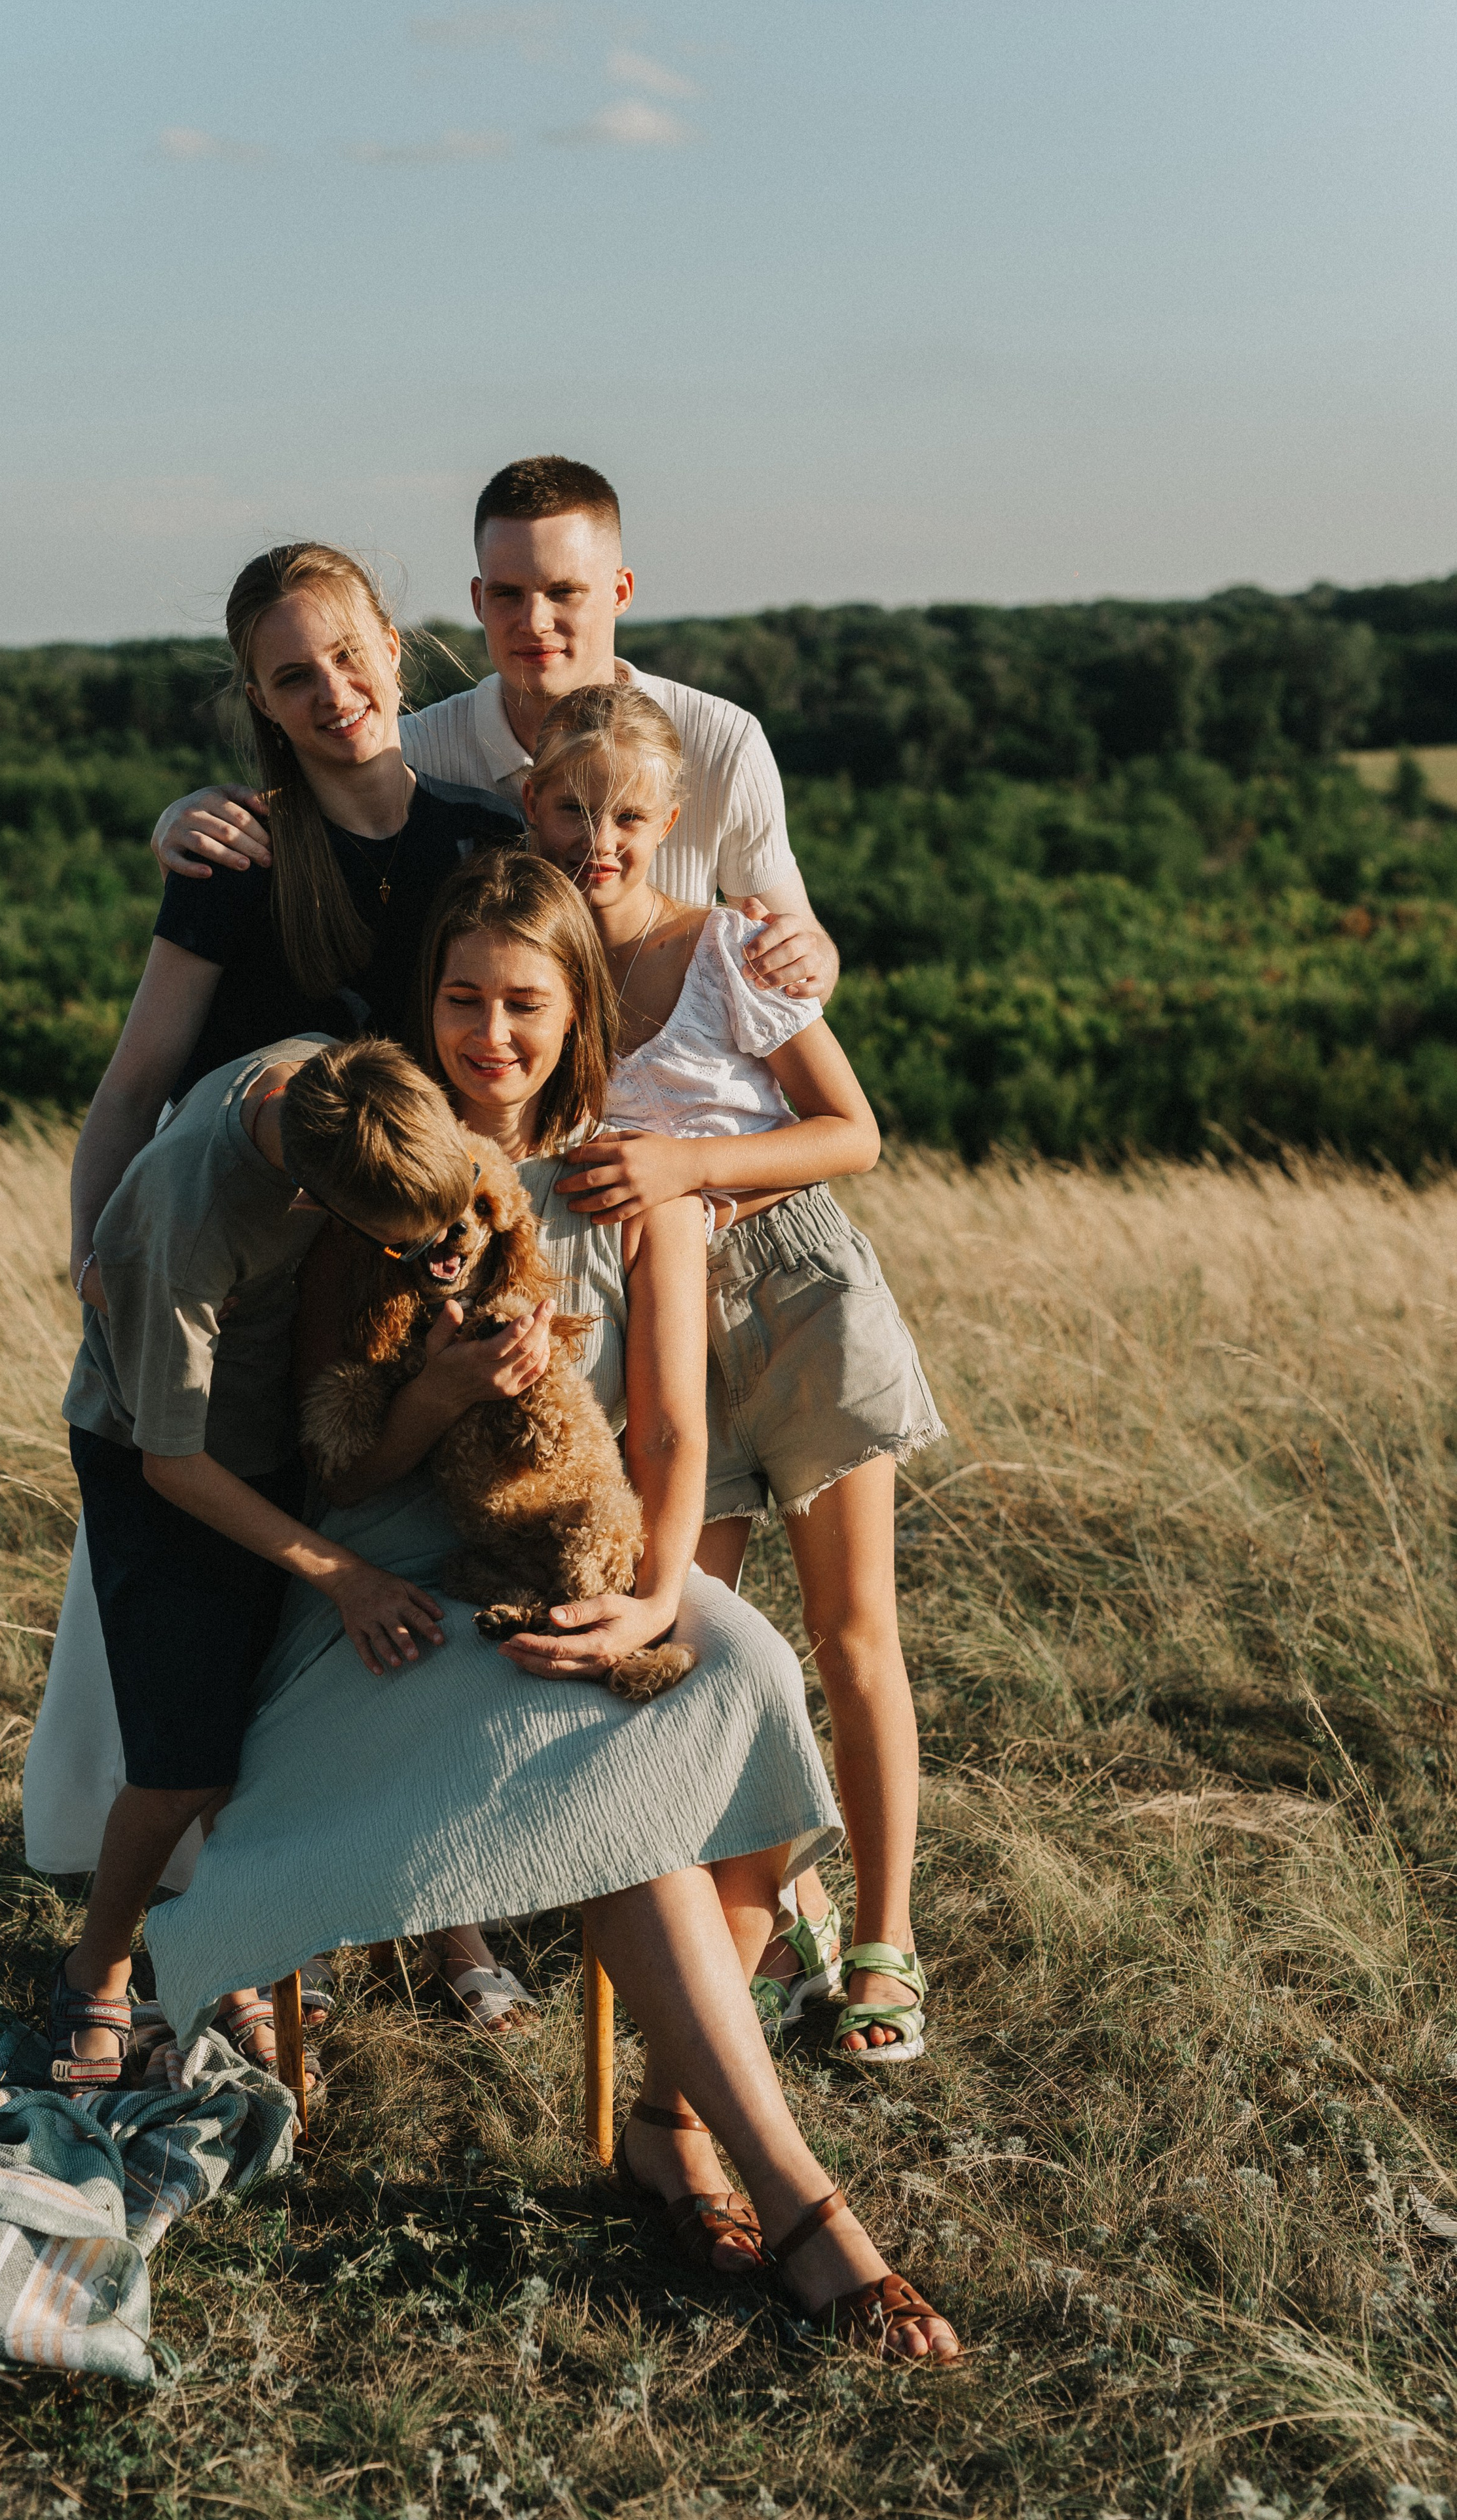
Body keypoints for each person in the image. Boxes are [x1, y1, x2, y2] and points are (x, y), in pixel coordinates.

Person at [140, 861, 959, 2362]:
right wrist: (440, 1392)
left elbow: (671, 1431)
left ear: (578, 1009)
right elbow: (337, 1466)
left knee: (753, 1676)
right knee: (609, 1753)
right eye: (462, 998)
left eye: (525, 1002)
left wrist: (654, 1588)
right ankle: (798, 2203)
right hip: (393, 1586)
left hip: (595, 1544)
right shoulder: (383, 1170)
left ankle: (664, 2120)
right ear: (426, 1004)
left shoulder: (639, 1169)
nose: (491, 1034)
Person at [524, 684, 947, 2067]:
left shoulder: (728, 954)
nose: (599, 836)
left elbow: (851, 1131)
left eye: (628, 814)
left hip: (793, 1292)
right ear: (533, 806)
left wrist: (687, 1165)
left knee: (848, 1635)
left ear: (669, 824)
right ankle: (778, 1901)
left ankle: (883, 1946)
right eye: (573, 808)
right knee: (690, 1649)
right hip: (648, 1330)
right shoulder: (534, 981)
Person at [48, 1029, 457, 2090]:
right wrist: (344, 1572)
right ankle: (96, 1969)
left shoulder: (337, 1075)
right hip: (165, 1468)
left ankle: (228, 1955)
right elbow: (171, 1463)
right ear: (316, 1196)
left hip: (267, 1433)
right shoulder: (187, 1218)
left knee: (257, 1737)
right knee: (182, 1758)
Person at [149, 455, 839, 1007]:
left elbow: (797, 947)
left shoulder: (721, 742)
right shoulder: (415, 752)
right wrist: (176, 821)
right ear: (478, 599)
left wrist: (813, 956)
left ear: (621, 591)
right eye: (508, 594)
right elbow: (304, 827)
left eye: (564, 592)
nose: (533, 621)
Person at [67, 540, 520, 1319]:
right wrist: (89, 1269)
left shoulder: (487, 841)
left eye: (347, 655)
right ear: (262, 701)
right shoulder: (236, 854)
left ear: (391, 648)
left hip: (427, 1266)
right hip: (251, 1280)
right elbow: (132, 1088)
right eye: (294, 676)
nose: (333, 691)